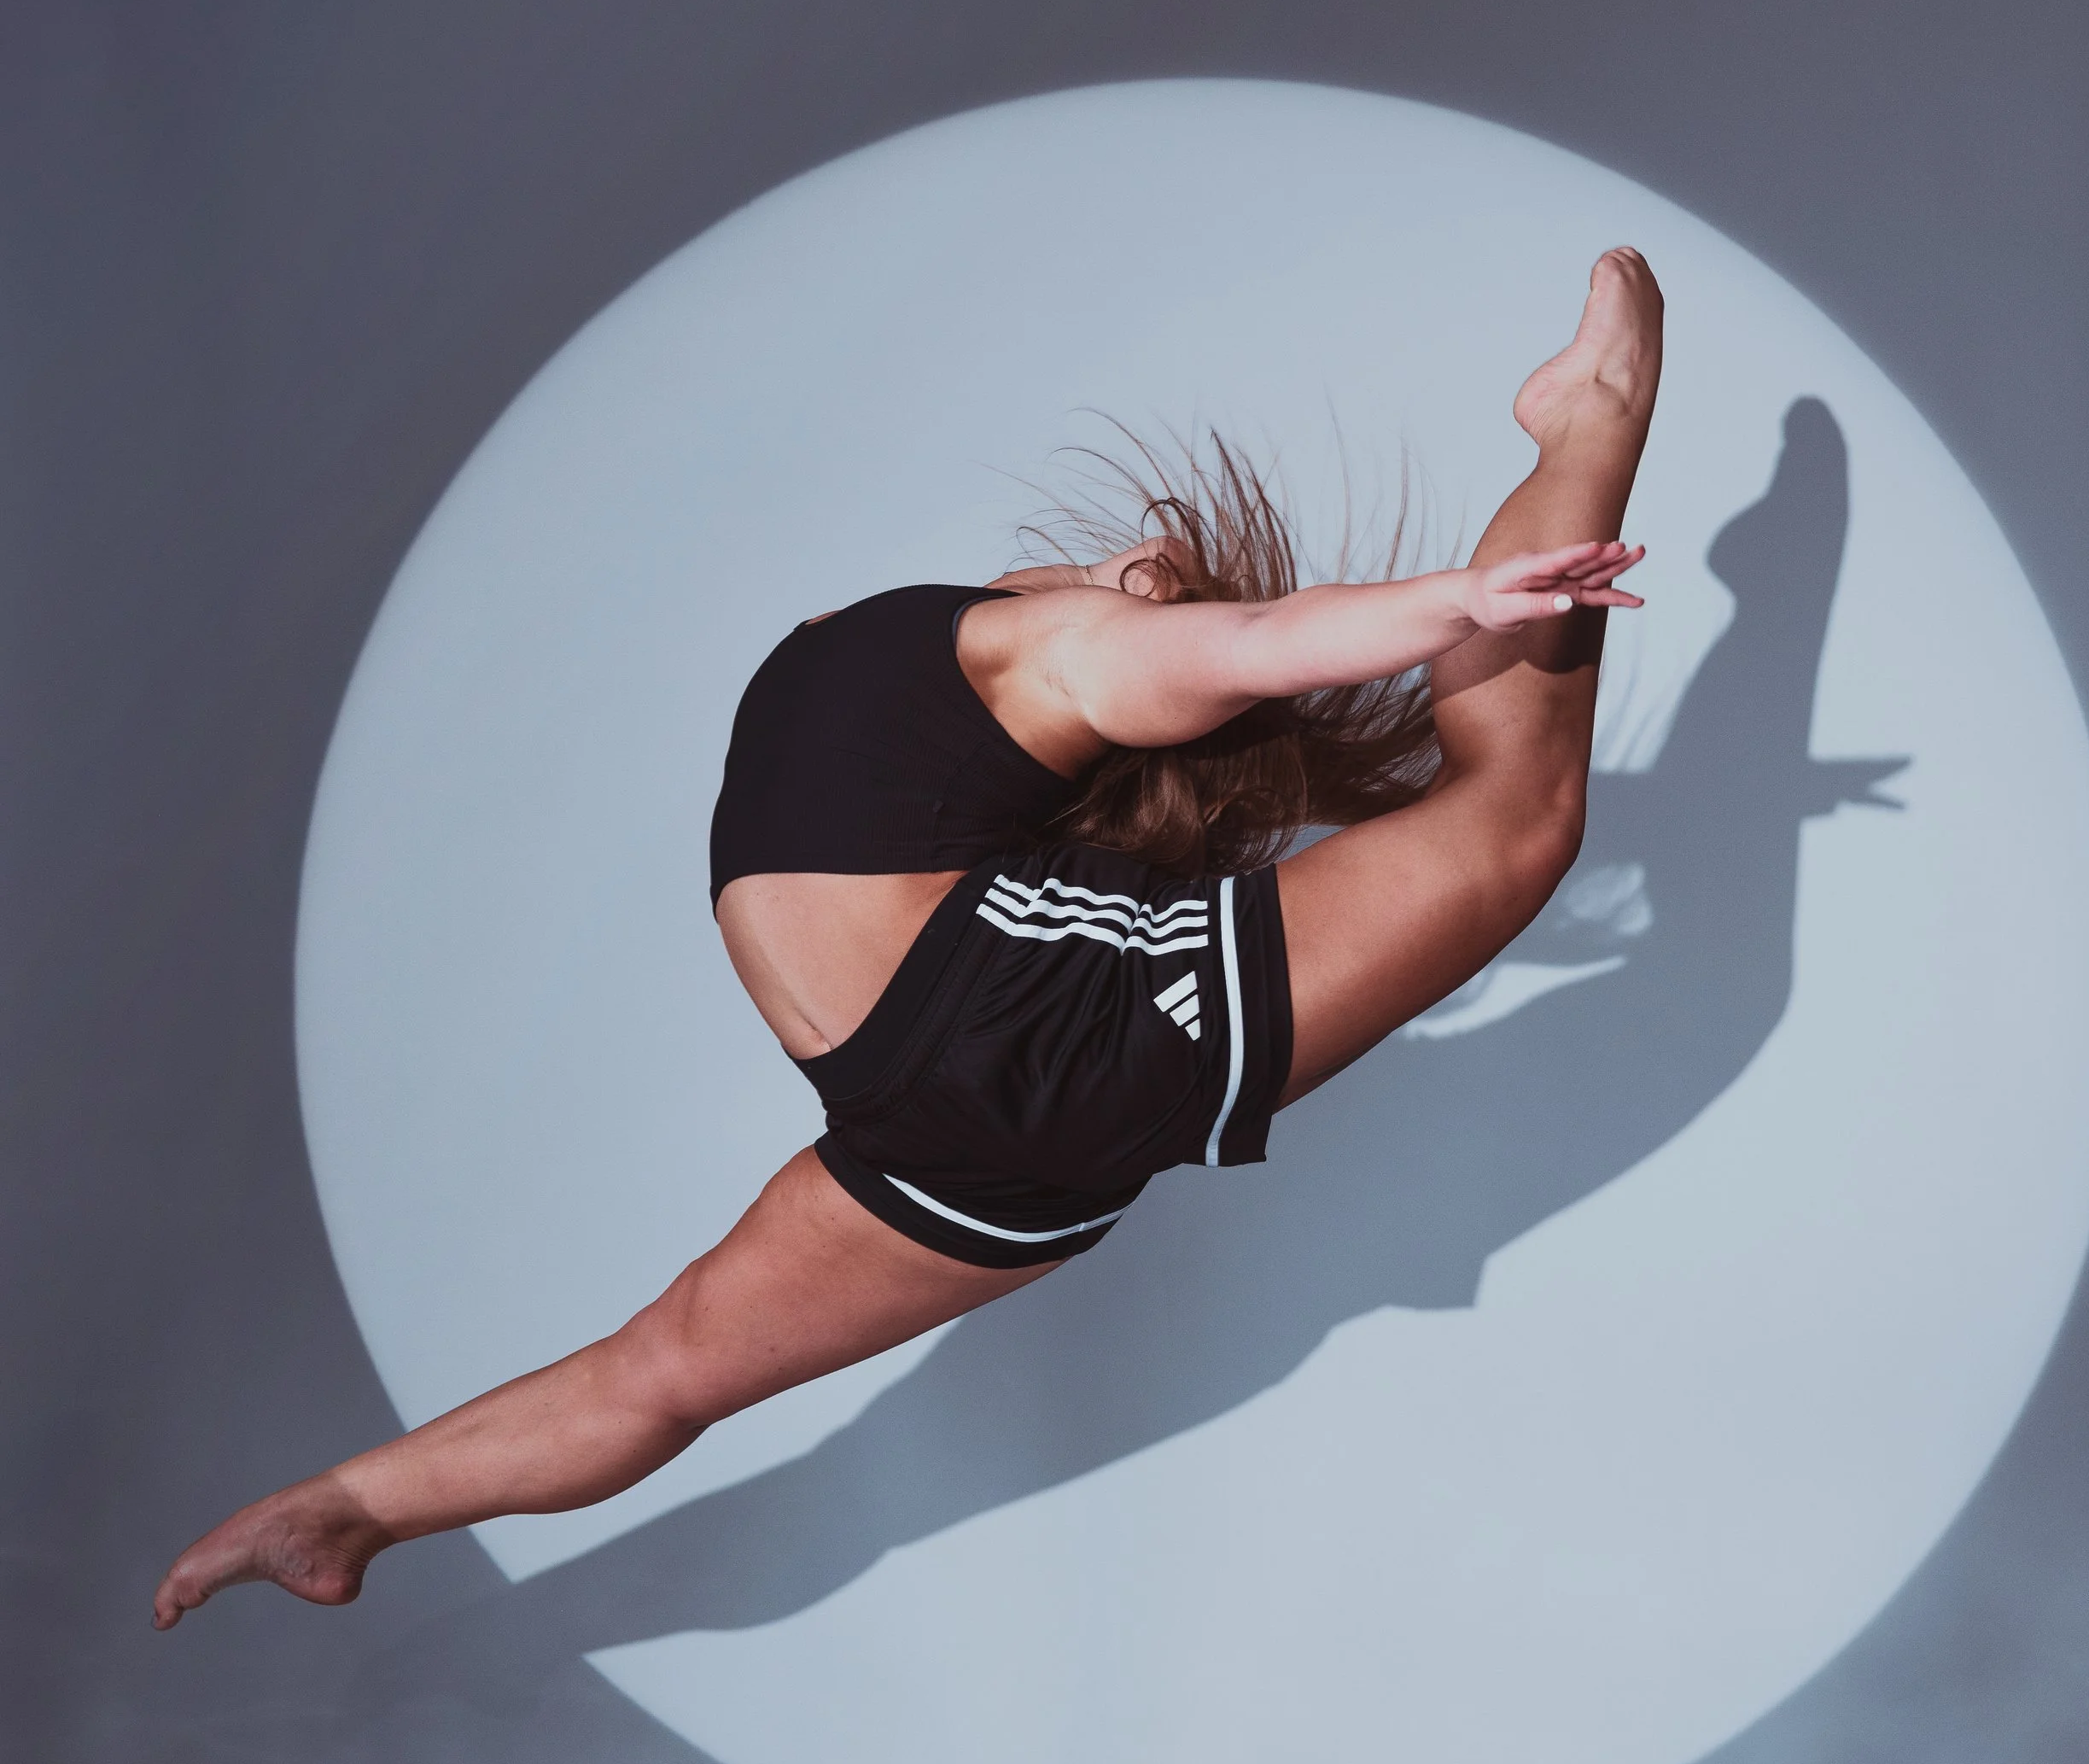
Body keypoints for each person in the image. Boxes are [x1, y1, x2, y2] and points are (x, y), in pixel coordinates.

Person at [152, 248, 1662, 1630]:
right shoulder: (986, 675)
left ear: (1138, 583)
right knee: (1513, 818)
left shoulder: (1046, 645)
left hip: (972, 1067)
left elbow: (1252, 644)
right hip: (981, 1093)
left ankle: (1588, 415)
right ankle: (343, 1510)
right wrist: (1440, 610)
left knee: (663, 1369)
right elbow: (1237, 652)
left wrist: (1451, 602)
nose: (1129, 552)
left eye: (1142, 571)